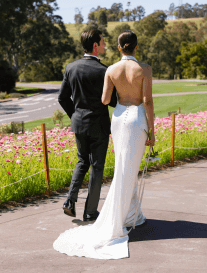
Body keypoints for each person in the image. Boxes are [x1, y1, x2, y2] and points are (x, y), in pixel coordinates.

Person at [54, 30, 156, 260]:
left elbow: (100, 99)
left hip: (102, 120)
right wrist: (150, 128)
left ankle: (126, 213)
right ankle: (106, 214)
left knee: (106, 164)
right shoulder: (140, 69)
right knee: (116, 168)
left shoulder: (102, 69)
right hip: (126, 119)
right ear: (136, 47)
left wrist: (78, 114)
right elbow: (146, 101)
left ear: (120, 48)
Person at [58, 29, 118, 222]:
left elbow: (62, 98)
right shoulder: (105, 71)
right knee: (97, 166)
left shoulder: (70, 67)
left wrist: (74, 115)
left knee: (82, 161)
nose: (105, 44)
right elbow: (112, 101)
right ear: (95, 45)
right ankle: (90, 211)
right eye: (102, 42)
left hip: (79, 123)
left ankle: (69, 201)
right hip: (99, 125)